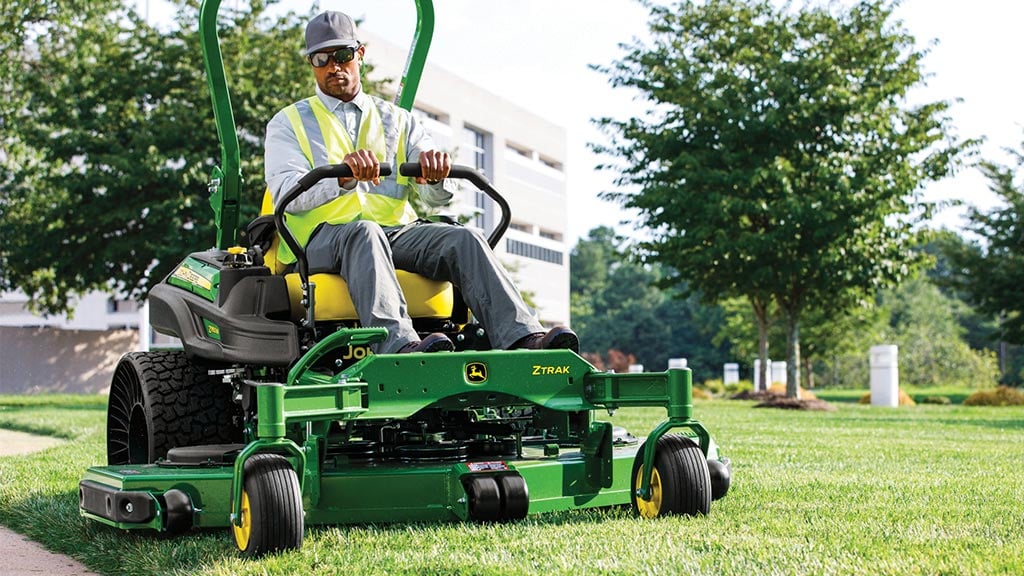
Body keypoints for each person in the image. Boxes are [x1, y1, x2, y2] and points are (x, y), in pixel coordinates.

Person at [264, 10, 579, 355]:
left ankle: (522, 337)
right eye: (321, 59)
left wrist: (435, 175)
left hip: (395, 234)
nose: (333, 66)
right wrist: (341, 178)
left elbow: (437, 197)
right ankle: (399, 344)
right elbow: (286, 195)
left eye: (342, 56)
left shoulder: (397, 120)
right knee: (364, 232)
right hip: (321, 239)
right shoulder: (289, 123)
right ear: (311, 63)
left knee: (464, 238)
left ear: (360, 55)